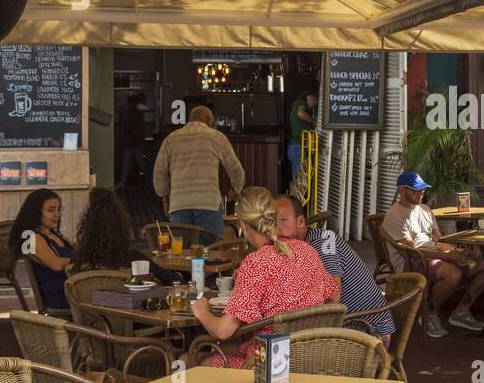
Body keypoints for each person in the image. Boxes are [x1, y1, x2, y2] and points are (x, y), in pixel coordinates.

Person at [191, 186, 339, 368]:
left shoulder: (255, 262)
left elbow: (223, 330)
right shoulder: (307, 250)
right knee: (222, 348)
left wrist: (202, 311)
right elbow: (333, 296)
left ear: (242, 225)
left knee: (191, 358)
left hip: (270, 365)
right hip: (310, 358)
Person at [381, 171, 484, 338]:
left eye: (422, 190)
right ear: (402, 191)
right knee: (453, 273)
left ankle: (461, 311)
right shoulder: (395, 215)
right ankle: (429, 313)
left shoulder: (425, 209)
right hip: (412, 262)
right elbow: (411, 252)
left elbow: (438, 240)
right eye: (415, 190)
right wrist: (448, 256)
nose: (420, 194)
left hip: (434, 255)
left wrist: (457, 251)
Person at [275, 193, 394, 344]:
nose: (276, 228)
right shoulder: (296, 247)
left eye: (283, 220)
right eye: (271, 221)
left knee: (281, 347)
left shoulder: (320, 244)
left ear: (300, 221)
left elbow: (332, 298)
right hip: (347, 324)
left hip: (369, 332)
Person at [153, 105, 245, 241]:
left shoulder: (171, 139)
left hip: (179, 204)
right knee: (212, 253)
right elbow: (236, 170)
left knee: (181, 253)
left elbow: (159, 172)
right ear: (208, 120)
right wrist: (235, 189)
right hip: (208, 204)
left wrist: (165, 197)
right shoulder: (217, 137)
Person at [73, 186, 178, 285]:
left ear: (87, 229)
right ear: (121, 228)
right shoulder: (135, 260)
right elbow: (173, 280)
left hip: (86, 303)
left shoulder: (79, 262)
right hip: (126, 303)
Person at [11, 188, 75, 312]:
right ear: (35, 212)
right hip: (64, 298)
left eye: (59, 209)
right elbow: (56, 264)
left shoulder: (54, 235)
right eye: (51, 210)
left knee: (120, 296)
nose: (57, 214)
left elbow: (78, 250)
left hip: (77, 292)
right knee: (119, 301)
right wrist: (81, 259)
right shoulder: (33, 238)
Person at [116, 92, 148, 186]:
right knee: (139, 163)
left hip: (132, 143)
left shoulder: (133, 114)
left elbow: (136, 129)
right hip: (134, 143)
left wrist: (126, 139)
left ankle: (123, 181)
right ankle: (150, 180)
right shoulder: (136, 114)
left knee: (130, 163)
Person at [288, 89, 317, 189]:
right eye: (314, 101)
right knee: (300, 183)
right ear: (309, 98)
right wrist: (314, 121)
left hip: (295, 147)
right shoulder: (301, 104)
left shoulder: (295, 105)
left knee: (298, 181)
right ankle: (298, 204)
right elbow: (300, 114)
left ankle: (297, 203)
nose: (314, 104)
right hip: (297, 147)